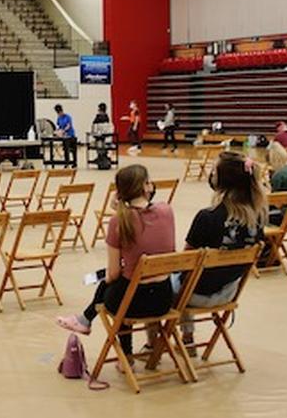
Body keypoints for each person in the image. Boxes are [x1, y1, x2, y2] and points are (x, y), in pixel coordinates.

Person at [56, 164, 175, 357]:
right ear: (146, 187)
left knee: (112, 285)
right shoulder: (166, 211)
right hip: (163, 298)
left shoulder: (117, 222)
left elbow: (113, 274)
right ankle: (84, 320)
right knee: (121, 285)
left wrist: (119, 209)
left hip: (131, 303)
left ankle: (124, 355)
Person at [176, 151, 266, 343]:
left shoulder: (207, 217)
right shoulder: (258, 217)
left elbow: (186, 260)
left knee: (161, 281)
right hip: (229, 291)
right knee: (193, 274)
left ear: (223, 180)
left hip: (195, 294)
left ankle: (169, 339)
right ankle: (186, 336)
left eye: (214, 171)